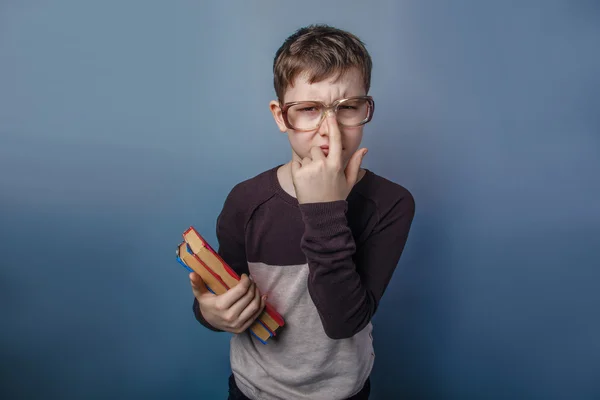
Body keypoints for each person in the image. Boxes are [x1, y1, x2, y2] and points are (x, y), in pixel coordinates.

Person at [188, 24, 415, 400]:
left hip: (344, 392)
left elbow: (344, 322)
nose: (331, 131)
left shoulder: (390, 204)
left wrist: (324, 209)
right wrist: (208, 314)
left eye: (348, 108)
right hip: (253, 390)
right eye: (309, 109)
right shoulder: (245, 201)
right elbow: (225, 293)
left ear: (366, 107)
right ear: (281, 116)